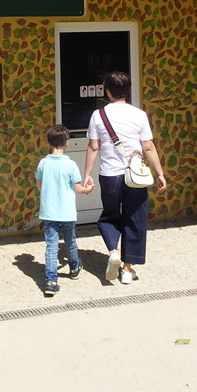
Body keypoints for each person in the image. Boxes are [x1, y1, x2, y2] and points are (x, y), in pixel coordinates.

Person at [83, 71, 167, 284]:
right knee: (135, 217)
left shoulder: (98, 115)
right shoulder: (139, 114)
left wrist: (87, 175)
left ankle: (113, 252)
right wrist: (160, 173)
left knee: (109, 216)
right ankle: (128, 269)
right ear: (127, 91)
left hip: (110, 175)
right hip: (135, 176)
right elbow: (148, 146)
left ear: (107, 91)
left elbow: (94, 147)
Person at [36, 124, 95, 296]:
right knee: (70, 241)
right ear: (67, 143)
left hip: (49, 211)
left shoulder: (43, 163)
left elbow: (39, 185)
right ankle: (74, 267)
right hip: (67, 212)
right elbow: (79, 189)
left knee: (51, 246)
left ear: (48, 142)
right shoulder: (70, 165)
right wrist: (89, 189)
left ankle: (51, 280)